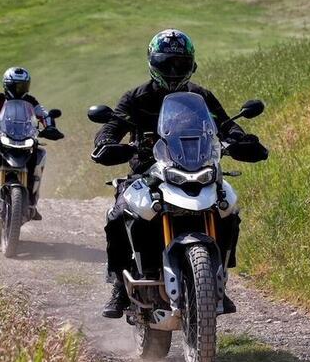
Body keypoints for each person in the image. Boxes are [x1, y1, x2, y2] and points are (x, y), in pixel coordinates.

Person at [93, 29, 255, 319]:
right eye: (166, 63)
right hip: (147, 173)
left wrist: (240, 139)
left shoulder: (200, 96)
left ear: (191, 65)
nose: (172, 70)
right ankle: (119, 283)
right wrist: (106, 142)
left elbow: (225, 124)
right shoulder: (136, 98)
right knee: (117, 216)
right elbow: (113, 125)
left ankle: (218, 277)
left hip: (197, 168)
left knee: (228, 208)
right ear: (153, 63)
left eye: (179, 64)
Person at [0, 66, 62, 218]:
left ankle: (31, 200)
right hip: (0, 136)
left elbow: (43, 114)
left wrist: (50, 127)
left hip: (25, 138)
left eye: (24, 85)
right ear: (7, 85)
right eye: (17, 85)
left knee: (38, 154)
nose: (20, 89)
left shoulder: (30, 101)